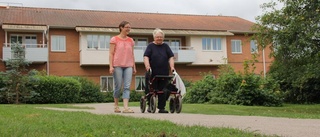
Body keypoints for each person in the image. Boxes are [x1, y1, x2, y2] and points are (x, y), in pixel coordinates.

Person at [143, 28, 175, 113]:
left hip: (163, 73)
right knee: (151, 90)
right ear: (154, 37)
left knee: (163, 90)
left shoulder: (166, 46)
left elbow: (171, 57)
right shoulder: (150, 46)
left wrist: (172, 67)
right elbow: (146, 57)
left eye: (161, 37)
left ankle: (161, 108)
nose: (159, 38)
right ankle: (150, 105)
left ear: (163, 37)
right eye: (157, 37)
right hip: (152, 73)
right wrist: (147, 66)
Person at [109, 21, 136, 113]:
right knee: (118, 86)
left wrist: (134, 66)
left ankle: (125, 107)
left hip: (128, 65)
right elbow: (111, 54)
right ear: (121, 27)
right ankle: (116, 105)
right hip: (117, 65)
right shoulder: (114, 39)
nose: (128, 29)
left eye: (129, 27)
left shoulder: (131, 40)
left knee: (127, 87)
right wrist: (111, 66)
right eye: (126, 27)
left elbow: (132, 54)